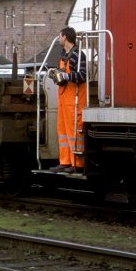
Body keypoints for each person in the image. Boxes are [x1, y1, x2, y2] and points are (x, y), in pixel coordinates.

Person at [48, 26, 86, 173]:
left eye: (59, 36)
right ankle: (65, 162)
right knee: (62, 130)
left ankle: (77, 163)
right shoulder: (63, 55)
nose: (58, 39)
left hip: (75, 99)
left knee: (73, 131)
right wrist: (57, 75)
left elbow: (82, 76)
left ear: (65, 37)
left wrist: (67, 76)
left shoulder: (79, 55)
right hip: (64, 98)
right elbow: (62, 75)